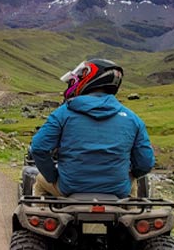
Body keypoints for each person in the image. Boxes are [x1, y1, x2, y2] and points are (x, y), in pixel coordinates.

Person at [30, 58, 154, 198]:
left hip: (70, 188)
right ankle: (131, 213)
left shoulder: (63, 113)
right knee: (132, 187)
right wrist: (131, 175)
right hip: (117, 191)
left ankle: (41, 214)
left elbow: (38, 148)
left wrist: (52, 176)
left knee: (41, 181)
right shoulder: (133, 119)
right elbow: (145, 163)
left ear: (89, 78)